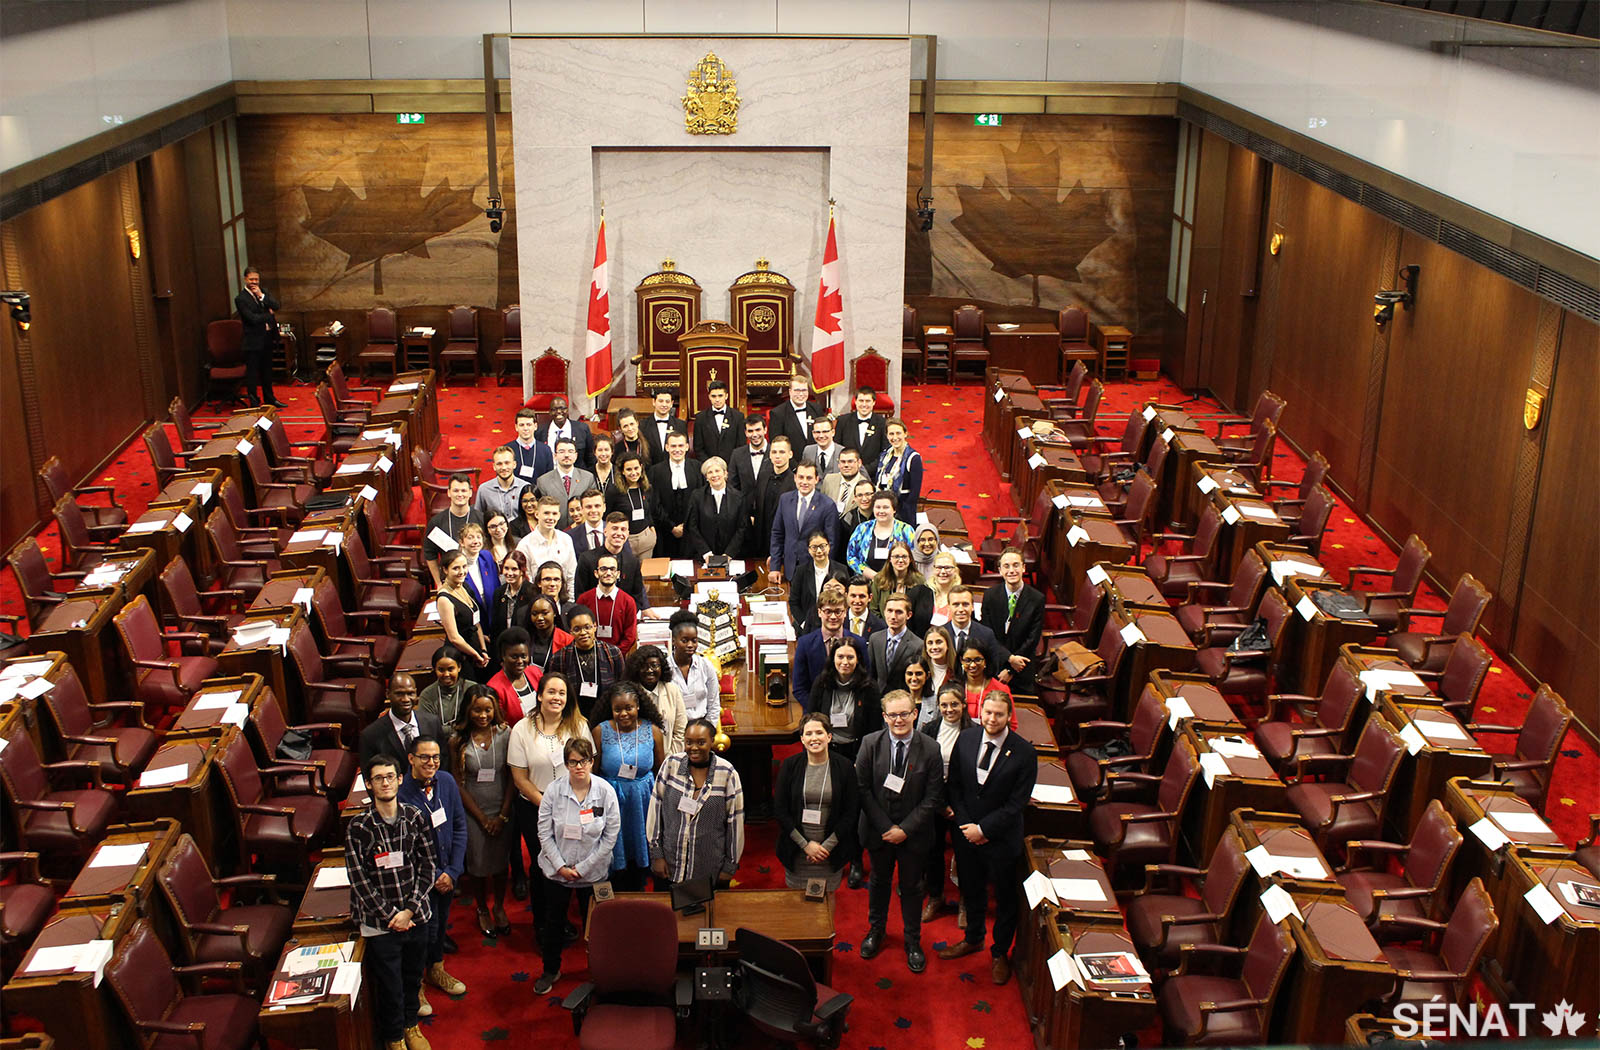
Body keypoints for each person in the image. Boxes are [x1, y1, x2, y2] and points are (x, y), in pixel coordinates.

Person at [937, 691, 1037, 984]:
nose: (992, 719)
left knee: (1005, 899)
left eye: (999, 714)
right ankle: (973, 938)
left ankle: (999, 952)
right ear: (980, 712)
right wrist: (968, 826)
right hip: (966, 835)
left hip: (1002, 840)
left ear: (1009, 717)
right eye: (987, 713)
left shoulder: (1024, 753)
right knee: (971, 889)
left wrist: (985, 830)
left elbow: (1017, 803)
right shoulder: (966, 739)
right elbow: (955, 786)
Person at [346, 753, 436, 1050]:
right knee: (389, 985)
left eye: (389, 777)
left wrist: (409, 910)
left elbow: (428, 866)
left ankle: (411, 1025)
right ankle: (394, 1037)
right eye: (378, 779)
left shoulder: (415, 817)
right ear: (368, 785)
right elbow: (359, 881)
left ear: (400, 779)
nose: (385, 783)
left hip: (415, 915)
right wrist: (391, 915)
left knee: (412, 978)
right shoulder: (358, 827)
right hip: (379, 923)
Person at [856, 689, 944, 973]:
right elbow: (862, 789)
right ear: (884, 717)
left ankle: (912, 941)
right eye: (892, 715)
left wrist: (904, 830)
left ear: (915, 713)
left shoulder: (931, 748)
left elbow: (932, 798)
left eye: (904, 713)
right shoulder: (870, 743)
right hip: (879, 833)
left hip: (914, 835)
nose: (899, 720)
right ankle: (876, 931)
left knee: (912, 888)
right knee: (879, 882)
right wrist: (886, 827)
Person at [508, 674, 593, 942]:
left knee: (575, 860)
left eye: (562, 693)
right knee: (543, 863)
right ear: (540, 695)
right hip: (535, 806)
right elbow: (520, 778)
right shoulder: (522, 729)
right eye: (551, 692)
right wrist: (548, 805)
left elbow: (589, 767)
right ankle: (544, 923)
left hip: (575, 805)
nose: (557, 697)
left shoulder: (579, 725)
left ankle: (576, 919)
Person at [534, 736, 620, 995]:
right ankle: (551, 970)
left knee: (598, 926)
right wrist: (561, 866)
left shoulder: (605, 791)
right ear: (566, 764)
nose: (578, 767)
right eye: (572, 762)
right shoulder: (553, 791)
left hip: (594, 873)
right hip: (557, 872)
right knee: (553, 924)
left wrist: (583, 868)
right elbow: (544, 833)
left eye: (583, 761)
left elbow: (611, 835)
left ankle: (601, 971)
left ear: (592, 762)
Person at [397, 735, 468, 1010]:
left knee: (440, 926)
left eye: (436, 757)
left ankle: (436, 969)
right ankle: (416, 987)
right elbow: (405, 847)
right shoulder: (401, 793)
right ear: (411, 759)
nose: (431, 762)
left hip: (447, 875)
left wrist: (453, 870)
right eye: (425, 757)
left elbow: (460, 826)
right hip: (418, 881)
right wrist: (436, 874)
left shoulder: (447, 782)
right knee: (421, 933)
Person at [647, 719, 745, 887]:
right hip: (670, 866)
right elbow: (655, 811)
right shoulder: (671, 764)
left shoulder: (727, 773)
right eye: (689, 742)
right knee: (666, 913)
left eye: (701, 742)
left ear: (712, 741)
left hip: (707, 869)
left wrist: (730, 866)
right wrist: (657, 855)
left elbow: (735, 823)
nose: (694, 748)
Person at [774, 712, 859, 893]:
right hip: (797, 851)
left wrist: (826, 847)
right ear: (802, 739)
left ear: (829, 736)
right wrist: (806, 845)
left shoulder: (845, 767)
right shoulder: (790, 766)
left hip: (830, 851)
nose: (814, 738)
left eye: (819, 733)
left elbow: (851, 812)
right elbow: (780, 810)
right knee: (797, 908)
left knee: (827, 903)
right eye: (809, 734)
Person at [451, 691, 513, 938]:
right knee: (477, 864)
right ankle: (481, 908)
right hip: (473, 811)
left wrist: (502, 815)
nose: (483, 715)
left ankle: (498, 907)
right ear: (468, 711)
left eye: (488, 710)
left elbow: (511, 777)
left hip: (502, 808)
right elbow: (457, 782)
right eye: (477, 710)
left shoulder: (506, 735)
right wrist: (482, 818)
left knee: (500, 862)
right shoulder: (457, 740)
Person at [593, 681, 665, 891]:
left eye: (629, 708)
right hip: (612, 797)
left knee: (639, 845)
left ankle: (639, 881)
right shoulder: (600, 731)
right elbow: (594, 772)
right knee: (614, 847)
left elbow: (661, 769)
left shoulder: (653, 731)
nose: (623, 713)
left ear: (638, 707)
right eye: (618, 709)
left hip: (643, 798)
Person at [920, 686, 974, 922]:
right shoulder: (929, 729)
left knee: (964, 854)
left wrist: (957, 807)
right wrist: (940, 803)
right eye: (944, 705)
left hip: (963, 803)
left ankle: (965, 901)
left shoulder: (975, 732)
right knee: (932, 850)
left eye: (954, 704)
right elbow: (923, 770)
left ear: (963, 704)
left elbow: (974, 776)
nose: (949, 709)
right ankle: (936, 896)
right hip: (935, 799)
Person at [547, 604, 627, 721]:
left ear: (595, 626)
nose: (583, 632)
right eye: (577, 629)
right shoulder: (560, 657)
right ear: (570, 632)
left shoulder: (612, 653)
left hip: (607, 718)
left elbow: (622, 687)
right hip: (573, 719)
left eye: (587, 627)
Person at [980, 548, 1044, 691]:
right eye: (1006, 566)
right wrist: (1009, 658)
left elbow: (1032, 639)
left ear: (1023, 567)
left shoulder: (1037, 599)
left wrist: (1011, 669)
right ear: (1000, 570)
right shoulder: (990, 596)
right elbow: (987, 634)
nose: (1011, 570)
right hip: (995, 661)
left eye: (1016, 565)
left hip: (1022, 665)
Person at [792, 587, 862, 712]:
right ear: (819, 612)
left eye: (838, 611)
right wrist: (818, 712)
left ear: (845, 612)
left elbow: (865, 682)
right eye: (828, 611)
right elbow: (799, 688)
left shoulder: (859, 643)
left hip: (852, 715)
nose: (833, 617)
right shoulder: (804, 644)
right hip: (815, 715)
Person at [361, 672, 447, 770]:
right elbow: (370, 774)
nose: (406, 699)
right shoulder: (371, 735)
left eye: (410, 693)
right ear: (388, 694)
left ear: (416, 693)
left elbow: (443, 759)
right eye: (399, 694)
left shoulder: (432, 722)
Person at [770, 461, 837, 580]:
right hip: (790, 569)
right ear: (795, 478)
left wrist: (825, 570)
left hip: (816, 570)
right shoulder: (785, 500)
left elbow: (831, 542)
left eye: (809, 478)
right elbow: (777, 534)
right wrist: (775, 567)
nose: (804, 482)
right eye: (801, 477)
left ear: (816, 480)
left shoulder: (827, 505)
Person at [435, 550, 491, 680]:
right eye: (456, 568)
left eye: (464, 567)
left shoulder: (464, 585)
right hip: (461, 654)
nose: (462, 572)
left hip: (476, 647)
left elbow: (476, 622)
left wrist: (483, 649)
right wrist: (476, 655)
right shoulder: (444, 599)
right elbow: (454, 637)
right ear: (445, 570)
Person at [235, 267, 285, 408]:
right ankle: (254, 402)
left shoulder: (263, 292)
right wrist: (269, 315)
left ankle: (270, 399)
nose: (254, 282)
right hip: (253, 341)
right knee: (252, 374)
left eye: (256, 279)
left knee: (267, 371)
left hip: (267, 338)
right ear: (245, 279)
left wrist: (262, 296)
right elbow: (252, 319)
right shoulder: (241, 299)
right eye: (251, 279)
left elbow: (276, 305)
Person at [423, 475, 486, 587]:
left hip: (479, 579)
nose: (460, 494)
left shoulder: (481, 519)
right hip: (450, 581)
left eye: (464, 490)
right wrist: (438, 583)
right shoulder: (436, 522)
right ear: (448, 492)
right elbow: (430, 554)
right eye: (456, 491)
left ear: (470, 493)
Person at [575, 513, 649, 607]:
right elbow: (580, 596)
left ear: (628, 534)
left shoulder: (632, 562)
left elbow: (637, 597)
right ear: (605, 532)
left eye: (623, 529)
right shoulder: (587, 559)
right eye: (614, 528)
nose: (619, 533)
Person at [647, 431, 701, 558]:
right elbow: (654, 504)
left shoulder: (697, 468)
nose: (677, 450)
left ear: (687, 447)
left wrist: (686, 526)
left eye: (681, 446)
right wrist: (672, 527)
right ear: (667, 447)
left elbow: (700, 501)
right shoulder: (655, 471)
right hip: (665, 532)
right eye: (673, 446)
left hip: (691, 531)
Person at [627, 644, 688, 755]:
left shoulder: (672, 690)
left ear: (662, 667)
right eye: (644, 666)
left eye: (654, 665)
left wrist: (670, 759)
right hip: (638, 758)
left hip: (670, 756)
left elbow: (680, 731)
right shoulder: (629, 694)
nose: (649, 670)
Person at [514, 496, 577, 602]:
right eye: (546, 513)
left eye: (554, 513)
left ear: (559, 516)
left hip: (562, 601)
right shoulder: (525, 544)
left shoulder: (566, 539)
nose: (550, 518)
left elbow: (571, 575)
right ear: (537, 514)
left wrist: (570, 602)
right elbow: (524, 580)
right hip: (535, 602)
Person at [684, 456, 748, 560]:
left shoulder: (739, 497)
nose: (714, 475)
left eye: (717, 471)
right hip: (703, 556)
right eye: (710, 472)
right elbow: (692, 526)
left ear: (725, 473)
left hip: (733, 556)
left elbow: (742, 528)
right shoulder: (697, 496)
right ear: (706, 477)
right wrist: (706, 553)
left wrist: (729, 554)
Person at [788, 528, 849, 633]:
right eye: (814, 547)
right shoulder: (801, 571)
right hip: (807, 626)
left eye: (822, 546)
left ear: (829, 547)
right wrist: (804, 623)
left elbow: (846, 599)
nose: (819, 551)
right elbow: (794, 602)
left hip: (836, 623)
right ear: (809, 549)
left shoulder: (841, 569)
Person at [576, 552, 638, 653]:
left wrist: (614, 654)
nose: (608, 573)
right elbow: (578, 631)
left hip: (617, 657)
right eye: (604, 569)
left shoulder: (628, 601)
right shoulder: (583, 600)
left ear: (618, 574)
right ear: (596, 573)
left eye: (612, 569)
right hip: (588, 655)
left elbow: (630, 637)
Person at [667, 610, 720, 726]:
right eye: (684, 641)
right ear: (674, 641)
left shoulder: (706, 666)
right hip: (675, 729)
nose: (690, 645)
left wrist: (707, 730)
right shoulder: (665, 668)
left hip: (702, 726)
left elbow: (714, 704)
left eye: (694, 640)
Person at [418, 644, 486, 734]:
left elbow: (478, 723)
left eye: (450, 669)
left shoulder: (472, 688)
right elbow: (428, 727)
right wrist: (458, 728)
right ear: (435, 669)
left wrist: (444, 729)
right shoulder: (427, 695)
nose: (446, 674)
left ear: (459, 667)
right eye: (441, 670)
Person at [847, 491, 917, 577]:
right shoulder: (863, 528)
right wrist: (873, 576)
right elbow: (851, 557)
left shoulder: (906, 530)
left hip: (897, 581)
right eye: (878, 507)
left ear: (894, 509)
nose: (881, 511)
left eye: (885, 507)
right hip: (865, 582)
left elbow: (913, 557)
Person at [871, 541, 934, 634]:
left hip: (911, 632)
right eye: (896, 557)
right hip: (884, 630)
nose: (900, 560)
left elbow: (921, 614)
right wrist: (889, 627)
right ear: (889, 559)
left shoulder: (919, 580)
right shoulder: (879, 579)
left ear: (910, 559)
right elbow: (873, 609)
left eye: (904, 557)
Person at [750, 435, 796, 560]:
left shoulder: (795, 482)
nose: (777, 456)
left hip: (783, 544)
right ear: (769, 455)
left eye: (782, 452)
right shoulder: (763, 476)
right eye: (774, 452)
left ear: (790, 454)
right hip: (760, 542)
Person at [869, 593, 924, 696]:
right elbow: (871, 674)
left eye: (899, 612)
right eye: (890, 611)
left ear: (909, 615)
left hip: (903, 700)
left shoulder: (918, 645)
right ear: (884, 612)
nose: (893, 616)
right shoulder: (875, 639)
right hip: (877, 699)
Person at [606, 453, 659, 558]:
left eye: (636, 468)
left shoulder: (647, 488)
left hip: (645, 538)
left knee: (645, 573)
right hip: (624, 540)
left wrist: (652, 530)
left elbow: (650, 512)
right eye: (629, 469)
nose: (633, 473)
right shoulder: (614, 491)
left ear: (641, 468)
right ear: (622, 471)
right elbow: (607, 516)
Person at [536, 438, 597, 530]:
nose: (566, 455)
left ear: (576, 455)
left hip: (583, 531)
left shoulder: (587, 478)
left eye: (570, 451)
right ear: (555, 455)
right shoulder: (543, 481)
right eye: (562, 452)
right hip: (554, 531)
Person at [486, 627, 542, 722]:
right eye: (514, 657)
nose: (520, 661)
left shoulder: (535, 672)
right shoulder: (494, 688)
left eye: (524, 656)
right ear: (503, 656)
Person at [875, 418, 924, 526]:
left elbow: (914, 494)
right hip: (884, 510)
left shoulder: (913, 458)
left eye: (898, 433)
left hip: (903, 513)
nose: (895, 437)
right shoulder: (885, 455)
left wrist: (896, 512)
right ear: (887, 436)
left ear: (905, 434)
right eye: (891, 434)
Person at [948, 585, 1003, 675]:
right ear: (949, 607)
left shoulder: (986, 634)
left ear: (972, 607)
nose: (961, 609)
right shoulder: (941, 634)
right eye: (956, 604)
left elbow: (993, 668)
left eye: (965, 604)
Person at [960, 642, 1017, 729]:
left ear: (986, 660)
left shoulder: (1001, 689)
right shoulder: (956, 687)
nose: (972, 665)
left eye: (978, 660)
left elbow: (1012, 725)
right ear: (961, 661)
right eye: (967, 660)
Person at [488, 550, 535, 652]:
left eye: (514, 569)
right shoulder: (499, 593)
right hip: (504, 650)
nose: (509, 573)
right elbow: (495, 628)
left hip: (525, 648)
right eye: (506, 568)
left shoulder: (532, 593)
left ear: (522, 570)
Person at [692, 378, 745, 462]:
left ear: (726, 396)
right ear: (709, 396)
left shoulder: (738, 417)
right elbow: (698, 448)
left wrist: (731, 466)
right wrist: (711, 465)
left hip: (732, 467)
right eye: (713, 396)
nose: (717, 400)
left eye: (720, 396)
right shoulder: (700, 418)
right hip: (709, 468)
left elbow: (741, 446)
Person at [768, 375, 822, 456]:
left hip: (815, 461)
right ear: (790, 392)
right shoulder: (778, 413)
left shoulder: (816, 409)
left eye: (804, 390)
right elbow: (777, 445)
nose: (801, 394)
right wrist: (794, 467)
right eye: (797, 390)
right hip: (791, 464)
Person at [523, 595, 572, 680]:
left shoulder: (567, 640)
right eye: (534, 614)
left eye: (545, 613)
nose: (539, 618)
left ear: (555, 613)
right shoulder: (525, 638)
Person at [475, 446, 529, 524]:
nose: (503, 467)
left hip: (521, 535)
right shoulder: (484, 490)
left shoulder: (525, 487)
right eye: (499, 464)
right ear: (494, 466)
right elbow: (478, 518)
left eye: (507, 463)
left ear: (514, 464)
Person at [836, 387, 886, 468]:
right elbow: (837, 448)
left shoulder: (882, 423)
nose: (864, 404)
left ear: (874, 402)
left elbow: (884, 452)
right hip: (847, 472)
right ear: (855, 402)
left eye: (868, 401)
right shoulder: (843, 421)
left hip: (872, 475)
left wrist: (866, 470)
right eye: (861, 401)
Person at [542, 395, 594, 471]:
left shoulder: (582, 429)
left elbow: (590, 457)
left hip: (577, 477)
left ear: (567, 410)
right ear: (549, 412)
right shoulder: (540, 431)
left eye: (562, 408)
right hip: (550, 477)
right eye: (554, 409)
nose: (559, 412)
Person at [457, 523, 499, 614]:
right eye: (470, 537)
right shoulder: (457, 563)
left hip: (492, 613)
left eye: (478, 537)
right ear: (461, 542)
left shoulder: (486, 556)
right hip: (471, 616)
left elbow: (496, 586)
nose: (475, 541)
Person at [510, 407, 555, 485]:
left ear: (535, 426)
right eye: (521, 425)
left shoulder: (545, 450)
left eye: (529, 424)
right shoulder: (508, 450)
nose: (525, 428)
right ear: (516, 427)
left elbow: (550, 478)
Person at [836, 477, 877, 563]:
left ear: (875, 495)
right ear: (854, 498)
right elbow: (842, 552)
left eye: (868, 494)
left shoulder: (881, 515)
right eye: (860, 495)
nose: (864, 499)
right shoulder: (847, 519)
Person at [728, 414, 772, 493]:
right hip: (744, 504)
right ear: (746, 433)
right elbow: (732, 485)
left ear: (765, 430)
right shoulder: (737, 454)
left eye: (758, 430)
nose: (754, 434)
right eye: (750, 431)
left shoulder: (775, 452)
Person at [639, 389, 686, 462]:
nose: (664, 405)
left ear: (671, 403)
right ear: (654, 402)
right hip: (650, 469)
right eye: (661, 401)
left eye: (667, 402)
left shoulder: (680, 425)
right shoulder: (643, 425)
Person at [921, 626, 958, 709]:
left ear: (947, 645)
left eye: (939, 642)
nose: (934, 647)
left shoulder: (957, 670)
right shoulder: (920, 670)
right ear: (926, 647)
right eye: (930, 643)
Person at [566, 489, 609, 556]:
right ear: (582, 509)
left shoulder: (615, 531)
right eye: (588, 507)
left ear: (604, 507)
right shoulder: (570, 536)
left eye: (597, 506)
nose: (593, 510)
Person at [902, 654, 936, 732]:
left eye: (918, 674)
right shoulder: (896, 701)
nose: (914, 678)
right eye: (910, 674)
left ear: (927, 676)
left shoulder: (936, 703)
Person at [927, 551, 961, 624]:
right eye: (939, 567)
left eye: (947, 568)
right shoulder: (922, 593)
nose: (943, 572)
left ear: (955, 571)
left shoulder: (960, 596)